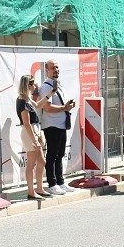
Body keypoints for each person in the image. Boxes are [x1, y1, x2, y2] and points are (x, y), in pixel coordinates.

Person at [37, 60, 76, 195]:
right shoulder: (46, 87)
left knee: (59, 154)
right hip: (52, 125)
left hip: (61, 124)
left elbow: (59, 105)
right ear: (47, 70)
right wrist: (64, 108)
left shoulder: (59, 86)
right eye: (53, 68)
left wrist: (67, 106)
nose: (56, 70)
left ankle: (60, 181)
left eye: (57, 68)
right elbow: (47, 108)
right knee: (52, 155)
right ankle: (52, 183)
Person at [17, 74, 51, 199]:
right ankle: (31, 191)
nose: (34, 86)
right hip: (29, 133)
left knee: (41, 161)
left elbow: (38, 105)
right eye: (32, 83)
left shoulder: (27, 99)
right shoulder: (22, 101)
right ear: (26, 85)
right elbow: (26, 123)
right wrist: (34, 139)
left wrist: (49, 95)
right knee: (31, 164)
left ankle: (39, 189)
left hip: (34, 131)